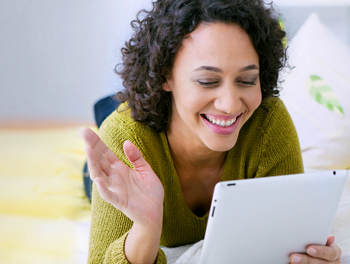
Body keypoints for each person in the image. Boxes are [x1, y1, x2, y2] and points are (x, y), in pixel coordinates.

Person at [81, 0, 342, 263]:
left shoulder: (268, 121)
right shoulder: (124, 139)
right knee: (109, 122)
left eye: (246, 80)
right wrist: (147, 227)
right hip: (148, 125)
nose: (230, 104)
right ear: (164, 76)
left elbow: (288, 243)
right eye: (207, 81)